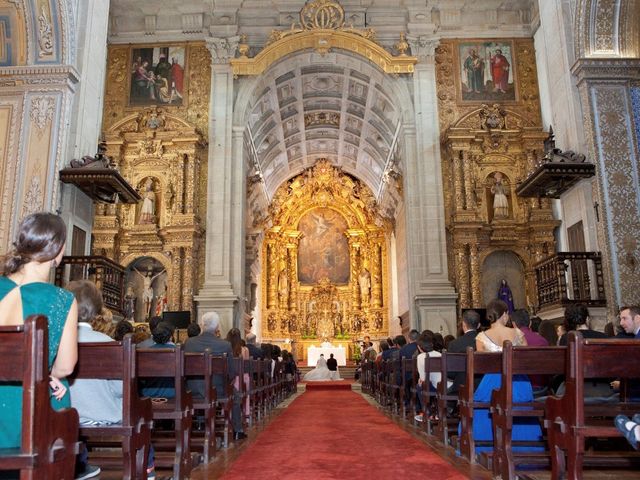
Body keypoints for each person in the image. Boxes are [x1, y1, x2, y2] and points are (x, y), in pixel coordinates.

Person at [0, 212, 78, 450]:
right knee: (59, 388)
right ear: (59, 251)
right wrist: (46, 372)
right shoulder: (62, 299)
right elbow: (65, 366)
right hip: (30, 408)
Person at [461, 298, 543, 454]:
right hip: (516, 381)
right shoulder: (517, 333)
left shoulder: (481, 337)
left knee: (485, 407)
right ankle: (524, 446)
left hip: (492, 382)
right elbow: (525, 357)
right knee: (519, 406)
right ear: (504, 315)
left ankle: (486, 444)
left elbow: (482, 365)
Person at [67, 280, 117, 480]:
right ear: (97, 309)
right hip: (101, 413)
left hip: (64, 414)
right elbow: (121, 389)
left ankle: (80, 463)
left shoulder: (54, 339)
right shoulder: (110, 344)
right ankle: (147, 470)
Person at [183, 312, 246, 441]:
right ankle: (237, 430)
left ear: (202, 325)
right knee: (236, 396)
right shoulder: (224, 345)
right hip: (217, 389)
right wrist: (227, 384)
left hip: (191, 389)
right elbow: (231, 372)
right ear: (217, 327)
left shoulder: (189, 343)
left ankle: (199, 424)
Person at [226, 327, 250, 418]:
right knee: (246, 378)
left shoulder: (226, 348)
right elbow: (246, 366)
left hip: (228, 379)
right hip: (241, 378)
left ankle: (225, 412)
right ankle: (246, 411)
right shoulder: (244, 350)